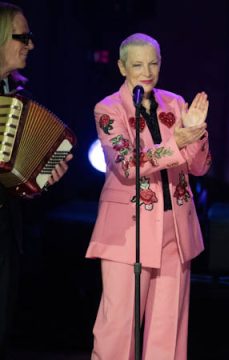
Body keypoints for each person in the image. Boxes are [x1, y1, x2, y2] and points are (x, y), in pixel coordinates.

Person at [86, 33, 211, 360]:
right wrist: (177, 142)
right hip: (129, 230)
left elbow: (200, 167)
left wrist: (197, 135)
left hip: (175, 228)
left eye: (153, 62)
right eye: (138, 64)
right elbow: (127, 165)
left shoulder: (175, 102)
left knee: (167, 329)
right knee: (119, 327)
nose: (147, 70)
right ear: (122, 67)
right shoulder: (108, 109)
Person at [0, 3, 72, 358]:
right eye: (23, 36)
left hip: (6, 227)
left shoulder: (13, 94)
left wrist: (37, 178)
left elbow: (13, 172)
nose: (31, 44)